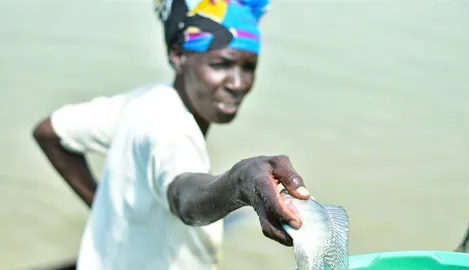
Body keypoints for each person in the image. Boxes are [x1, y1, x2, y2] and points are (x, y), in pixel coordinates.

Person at [32, 0, 310, 269]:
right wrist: (240, 182)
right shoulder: (170, 127)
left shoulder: (143, 102)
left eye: (248, 67)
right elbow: (185, 199)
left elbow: (50, 132)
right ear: (178, 56)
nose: (238, 83)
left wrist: (107, 214)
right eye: (221, 65)